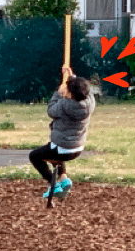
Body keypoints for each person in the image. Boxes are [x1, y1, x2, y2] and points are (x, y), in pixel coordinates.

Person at [29, 67, 95, 199]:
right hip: (77, 148)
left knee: (35, 156)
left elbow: (50, 110)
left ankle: (53, 185)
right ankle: (63, 178)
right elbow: (82, 90)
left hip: (62, 148)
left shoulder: (64, 105)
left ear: (70, 94)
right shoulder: (90, 102)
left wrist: (58, 93)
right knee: (53, 149)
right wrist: (72, 78)